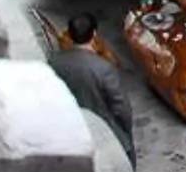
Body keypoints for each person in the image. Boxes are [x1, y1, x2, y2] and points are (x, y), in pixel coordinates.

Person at [49, 12, 138, 162]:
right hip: (105, 130)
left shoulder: (54, 61)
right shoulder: (103, 68)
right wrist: (125, 129)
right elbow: (121, 106)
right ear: (94, 34)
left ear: (70, 34)